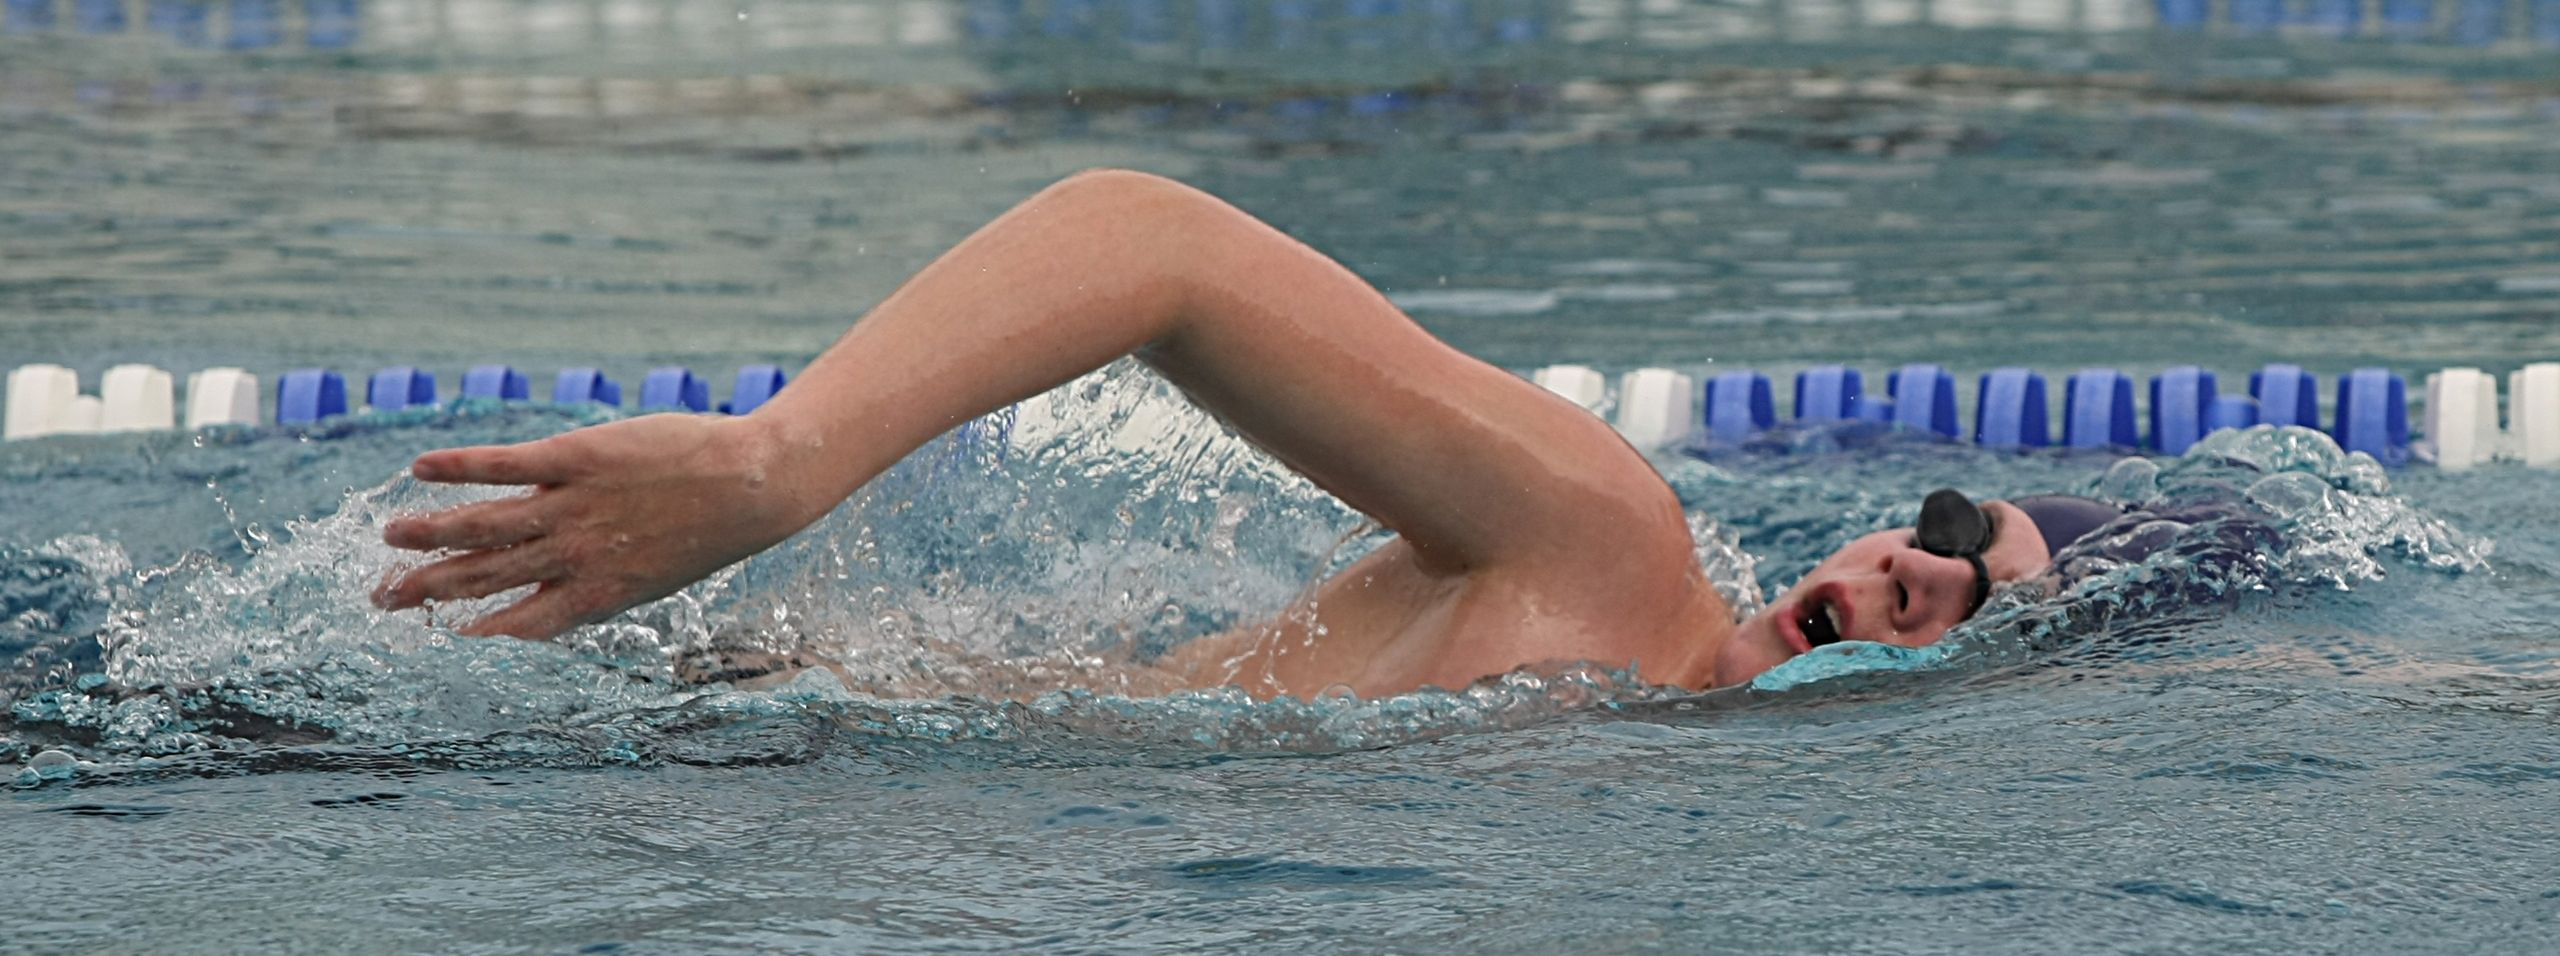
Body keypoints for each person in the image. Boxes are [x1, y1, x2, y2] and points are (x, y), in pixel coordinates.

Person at [370, 169, 2112, 699]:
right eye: (1941, 526)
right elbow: (1163, 245)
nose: (1910, 574)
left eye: (1973, 595)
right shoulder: (1607, 549)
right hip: (753, 717)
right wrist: (782, 461)